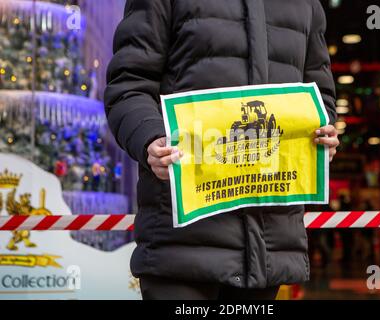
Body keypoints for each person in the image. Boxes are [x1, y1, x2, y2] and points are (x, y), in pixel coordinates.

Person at [104, 0, 339, 300]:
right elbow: (128, 86)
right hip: (181, 245)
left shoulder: (305, 4)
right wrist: (151, 138)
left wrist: (323, 130)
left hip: (268, 244)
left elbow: (320, 95)